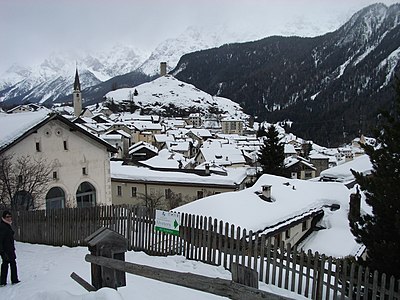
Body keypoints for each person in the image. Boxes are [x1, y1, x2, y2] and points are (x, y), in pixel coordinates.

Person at [0, 210, 20, 286]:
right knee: (9, 264)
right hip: (6, 250)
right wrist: (2, 252)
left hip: (10, 249)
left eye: (10, 216)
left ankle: (4, 281)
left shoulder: (7, 225)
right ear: (4, 217)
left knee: (8, 264)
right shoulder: (3, 226)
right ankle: (11, 280)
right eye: (7, 217)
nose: (9, 218)